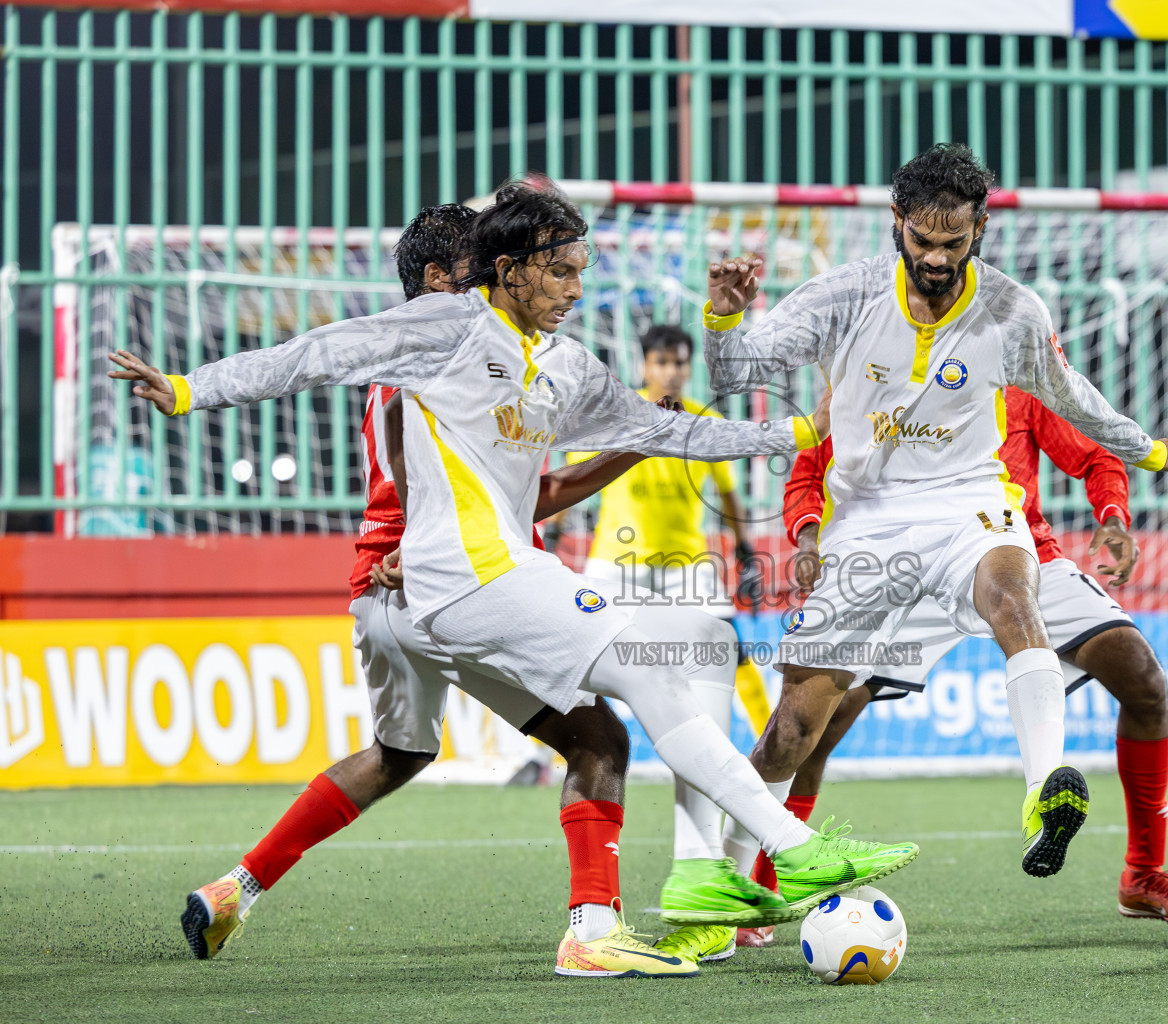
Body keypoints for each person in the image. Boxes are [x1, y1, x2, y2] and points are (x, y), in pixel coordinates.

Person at [113, 182, 920, 964]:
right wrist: (189, 389)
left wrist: (803, 429)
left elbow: (664, 431)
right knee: (653, 663)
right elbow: (317, 353)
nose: (576, 288)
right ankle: (777, 855)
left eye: (579, 271)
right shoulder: (442, 327)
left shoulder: (563, 365)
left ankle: (589, 931)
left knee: (563, 735)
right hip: (459, 576)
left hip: (428, 590)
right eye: (560, 271)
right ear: (504, 270)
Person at [179, 203, 703, 978]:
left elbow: (522, 488)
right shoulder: (441, 358)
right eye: (484, 266)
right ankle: (594, 928)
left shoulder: (419, 360)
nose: (503, 276)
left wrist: (628, 447)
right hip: (451, 587)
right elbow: (478, 494)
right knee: (599, 738)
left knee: (397, 753)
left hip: (381, 592)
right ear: (435, 280)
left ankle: (235, 889)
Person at [700, 144, 1168, 887]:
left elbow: (1076, 401)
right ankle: (732, 881)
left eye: (955, 243)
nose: (937, 259)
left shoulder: (1012, 311)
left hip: (970, 501)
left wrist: (1151, 453)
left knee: (1013, 593)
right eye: (923, 241)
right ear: (896, 221)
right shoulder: (843, 295)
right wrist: (722, 317)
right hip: (867, 522)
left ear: (982, 227)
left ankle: (1044, 792)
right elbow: (736, 372)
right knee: (795, 730)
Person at [736, 387, 1168, 944]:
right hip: (902, 562)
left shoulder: (1015, 376)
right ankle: (761, 883)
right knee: (817, 723)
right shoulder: (873, 373)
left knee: (1144, 680)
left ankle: (1143, 873)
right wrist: (809, 537)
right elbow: (806, 476)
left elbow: (1092, 453)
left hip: (1013, 552)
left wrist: (1111, 515)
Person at [568, 322, 775, 964]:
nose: (672, 371)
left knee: (724, 668)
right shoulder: (620, 411)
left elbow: (729, 493)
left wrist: (742, 549)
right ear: (645, 362)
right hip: (618, 568)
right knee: (570, 672)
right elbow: (572, 469)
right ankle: (554, 751)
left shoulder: (699, 425)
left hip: (688, 568)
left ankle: (756, 757)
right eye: (662, 360)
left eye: (681, 363)